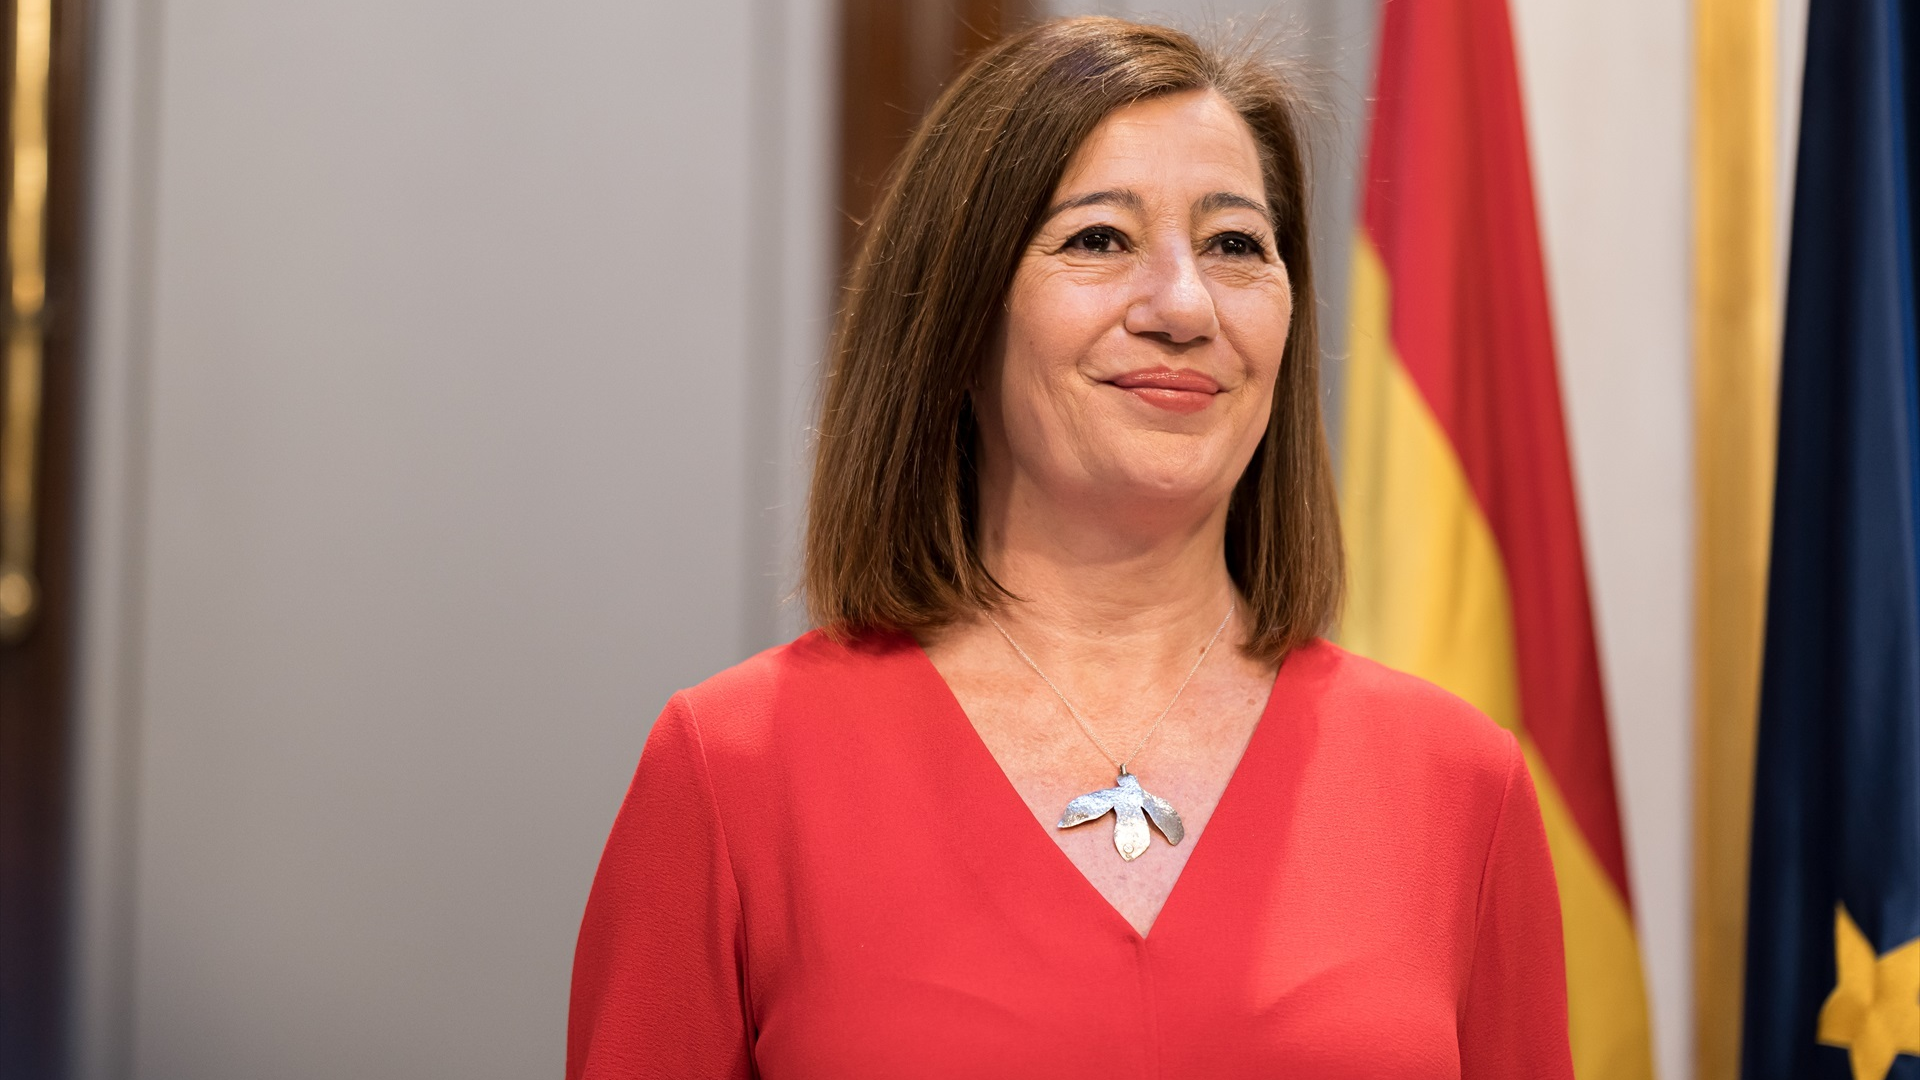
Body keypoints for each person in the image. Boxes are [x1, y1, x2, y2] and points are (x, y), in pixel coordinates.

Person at [567, 16, 1572, 1078]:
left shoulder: (1460, 789)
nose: (1185, 306)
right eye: (1099, 239)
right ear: (957, 317)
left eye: (1237, 244)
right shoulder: (734, 772)